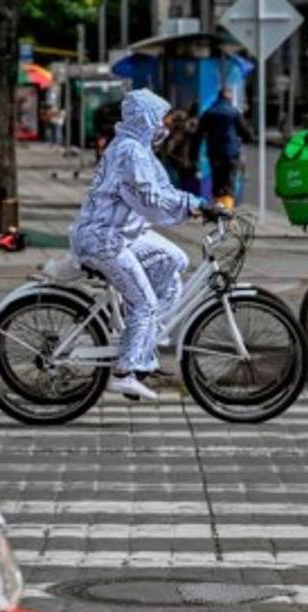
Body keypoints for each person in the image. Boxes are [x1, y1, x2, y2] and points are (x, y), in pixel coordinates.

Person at [69, 89, 224, 401]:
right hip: (104, 239)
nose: (164, 126)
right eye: (160, 119)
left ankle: (142, 344)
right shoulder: (131, 152)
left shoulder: (138, 149)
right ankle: (125, 372)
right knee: (145, 303)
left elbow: (163, 189)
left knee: (175, 260)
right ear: (145, 119)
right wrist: (193, 207)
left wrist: (199, 204)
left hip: (121, 233)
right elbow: (150, 199)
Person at [197, 87, 254, 208]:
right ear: (229, 99)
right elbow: (247, 133)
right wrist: (246, 140)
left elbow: (198, 134)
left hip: (215, 153)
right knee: (229, 183)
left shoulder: (209, 112)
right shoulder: (234, 112)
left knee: (217, 182)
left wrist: (193, 154)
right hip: (231, 154)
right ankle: (227, 210)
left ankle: (217, 210)